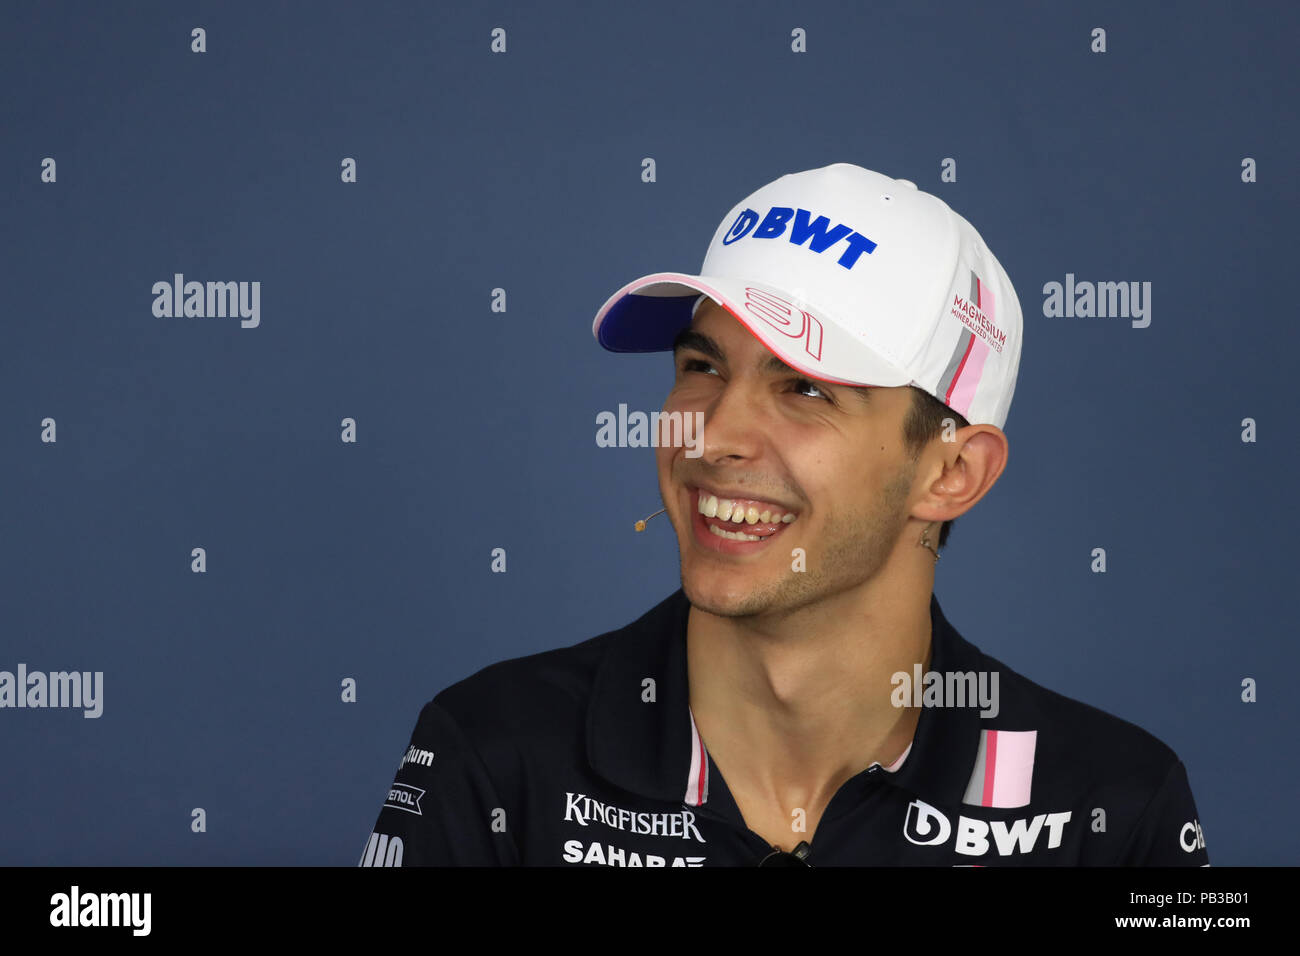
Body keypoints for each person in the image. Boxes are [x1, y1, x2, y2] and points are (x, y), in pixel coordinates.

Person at [359, 163, 1209, 866]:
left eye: (804, 388)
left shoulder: (1116, 810)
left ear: (951, 472)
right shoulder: (496, 758)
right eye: (701, 366)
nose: (715, 434)